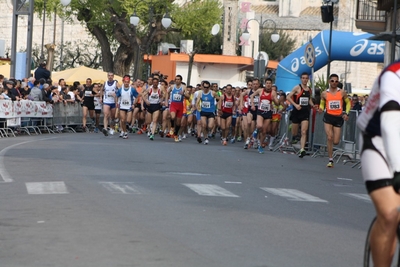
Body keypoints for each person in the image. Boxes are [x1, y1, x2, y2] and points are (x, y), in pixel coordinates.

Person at [357, 61, 400, 267]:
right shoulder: (394, 75)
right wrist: (398, 171)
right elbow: (391, 126)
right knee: (390, 214)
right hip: (379, 142)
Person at [318, 74, 351, 167]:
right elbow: (322, 103)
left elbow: (348, 103)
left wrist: (346, 113)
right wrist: (320, 108)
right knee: (329, 137)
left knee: (336, 141)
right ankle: (330, 159)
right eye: (332, 81)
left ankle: (331, 147)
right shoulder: (324, 93)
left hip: (338, 118)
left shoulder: (342, 92)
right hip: (328, 117)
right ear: (329, 81)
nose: (334, 83)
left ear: (338, 82)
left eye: (336, 81)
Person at [287, 72, 315, 158]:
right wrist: (295, 105)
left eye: (306, 78)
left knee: (304, 131)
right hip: (296, 112)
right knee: (295, 133)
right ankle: (292, 128)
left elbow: (308, 99)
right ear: (301, 79)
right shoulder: (297, 87)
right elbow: (288, 97)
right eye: (303, 78)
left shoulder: (309, 89)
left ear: (308, 79)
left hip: (305, 112)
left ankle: (302, 149)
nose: (305, 80)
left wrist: (313, 105)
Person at [250, 78, 280, 154]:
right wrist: (252, 104)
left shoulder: (273, 92)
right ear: (265, 84)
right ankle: (256, 131)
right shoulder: (260, 90)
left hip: (268, 112)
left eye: (270, 83)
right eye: (267, 83)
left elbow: (277, 103)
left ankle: (260, 145)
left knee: (264, 131)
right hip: (260, 111)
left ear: (271, 84)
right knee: (259, 125)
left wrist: (274, 100)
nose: (268, 84)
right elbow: (252, 96)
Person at [116, 75, 139, 139]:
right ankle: (124, 132)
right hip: (122, 106)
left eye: (127, 82)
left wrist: (134, 103)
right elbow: (117, 96)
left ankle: (124, 129)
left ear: (129, 82)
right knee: (123, 120)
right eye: (125, 82)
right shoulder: (120, 89)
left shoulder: (132, 89)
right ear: (123, 82)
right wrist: (117, 103)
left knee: (128, 121)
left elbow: (137, 96)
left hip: (129, 106)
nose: (126, 83)